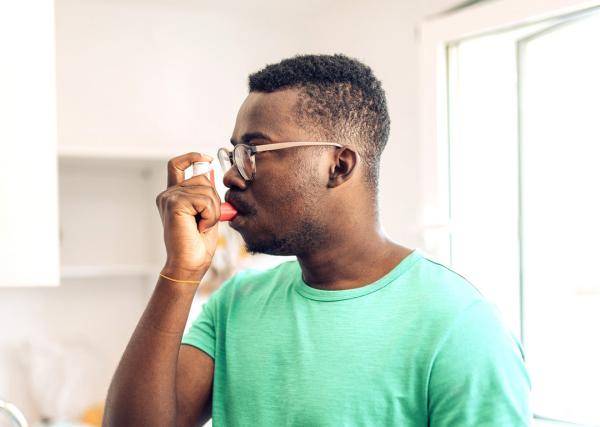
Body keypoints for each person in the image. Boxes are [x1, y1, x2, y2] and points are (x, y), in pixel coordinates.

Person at [103, 54, 531, 426]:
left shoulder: (460, 325)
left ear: (338, 166)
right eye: (233, 154)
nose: (231, 176)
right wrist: (180, 272)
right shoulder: (237, 302)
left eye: (254, 152)